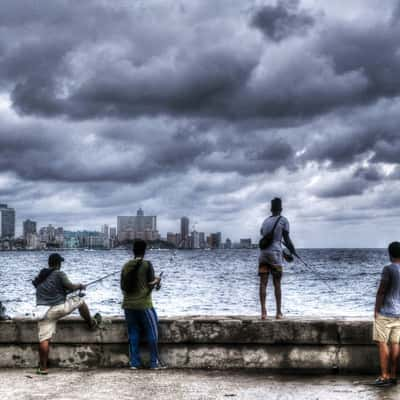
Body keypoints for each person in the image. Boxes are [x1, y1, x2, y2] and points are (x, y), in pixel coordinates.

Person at [33, 253, 101, 375]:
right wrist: (80, 286)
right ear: (58, 264)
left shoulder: (41, 276)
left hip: (42, 312)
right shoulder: (59, 273)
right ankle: (91, 323)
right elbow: (70, 285)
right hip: (57, 308)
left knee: (44, 339)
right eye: (60, 263)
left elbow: (52, 290)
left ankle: (42, 368)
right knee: (80, 301)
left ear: (49, 263)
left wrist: (65, 291)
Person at [121, 239, 164, 369]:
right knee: (153, 332)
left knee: (133, 333)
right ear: (145, 251)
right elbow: (151, 284)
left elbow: (122, 287)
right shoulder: (147, 265)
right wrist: (157, 280)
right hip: (144, 305)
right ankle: (154, 363)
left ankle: (134, 363)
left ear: (133, 251)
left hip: (128, 306)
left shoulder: (126, 265)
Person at [259, 197, 296, 320]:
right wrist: (293, 251)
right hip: (275, 254)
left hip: (263, 254)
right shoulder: (284, 220)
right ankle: (278, 313)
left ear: (271, 209)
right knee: (277, 283)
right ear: (281, 209)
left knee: (263, 283)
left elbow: (263, 233)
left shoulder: (265, 221)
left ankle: (263, 312)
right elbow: (287, 240)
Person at [373, 242, 400, 387]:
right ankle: (394, 376)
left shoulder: (388, 269)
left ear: (390, 254)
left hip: (386, 312)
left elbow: (382, 291)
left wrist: (376, 311)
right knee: (395, 343)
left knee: (382, 342)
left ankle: (384, 376)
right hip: (399, 313)